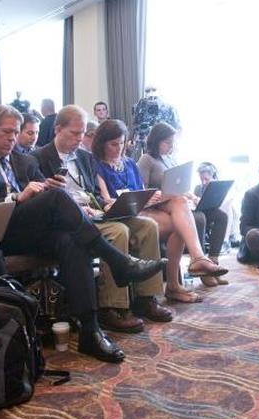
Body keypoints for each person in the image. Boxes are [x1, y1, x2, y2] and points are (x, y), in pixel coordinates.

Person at [0, 105, 165, 363]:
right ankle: (118, 261)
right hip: (0, 233)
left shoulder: (24, 160)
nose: (12, 138)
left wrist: (43, 192)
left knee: (71, 240)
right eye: (6, 132)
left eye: (15, 132)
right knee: (57, 196)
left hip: (33, 230)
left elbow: (45, 196)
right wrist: (17, 197)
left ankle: (90, 330)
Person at [33, 106, 173, 333]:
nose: (80, 139)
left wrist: (105, 204)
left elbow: (94, 192)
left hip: (95, 213)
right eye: (75, 133)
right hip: (66, 222)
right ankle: (112, 307)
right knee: (118, 231)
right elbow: (40, 201)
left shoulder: (85, 158)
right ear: (58, 129)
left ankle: (146, 298)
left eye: (82, 134)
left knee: (148, 226)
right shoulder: (37, 158)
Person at [93, 119, 226, 304]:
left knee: (179, 201)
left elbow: (140, 190)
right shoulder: (97, 165)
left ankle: (196, 260)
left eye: (122, 143)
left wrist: (151, 197)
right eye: (113, 144)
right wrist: (145, 199)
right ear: (102, 143)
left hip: (141, 207)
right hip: (122, 213)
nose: (119, 148)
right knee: (177, 222)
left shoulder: (129, 163)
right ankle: (178, 279)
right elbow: (107, 200)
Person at [138, 123, 229, 287]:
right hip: (160, 205)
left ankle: (211, 260)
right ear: (156, 140)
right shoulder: (147, 160)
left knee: (221, 215)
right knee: (200, 218)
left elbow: (178, 185)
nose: (170, 145)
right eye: (167, 142)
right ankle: (201, 266)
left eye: (172, 142)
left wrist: (193, 197)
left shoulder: (169, 159)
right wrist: (162, 194)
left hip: (179, 201)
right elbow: (142, 189)